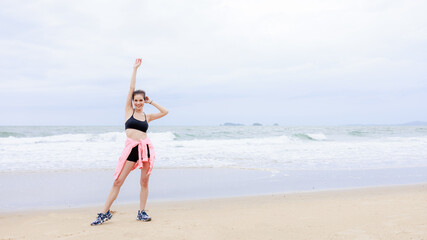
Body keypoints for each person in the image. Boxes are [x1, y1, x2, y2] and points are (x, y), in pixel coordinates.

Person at [91, 58, 168, 225]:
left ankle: (141, 212)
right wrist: (135, 69)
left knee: (144, 181)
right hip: (131, 149)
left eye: (141, 100)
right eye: (136, 100)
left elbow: (165, 111)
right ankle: (104, 213)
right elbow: (132, 88)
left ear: (143, 101)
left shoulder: (147, 116)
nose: (138, 103)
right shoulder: (128, 111)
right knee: (118, 180)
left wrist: (151, 101)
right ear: (133, 101)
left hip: (145, 149)